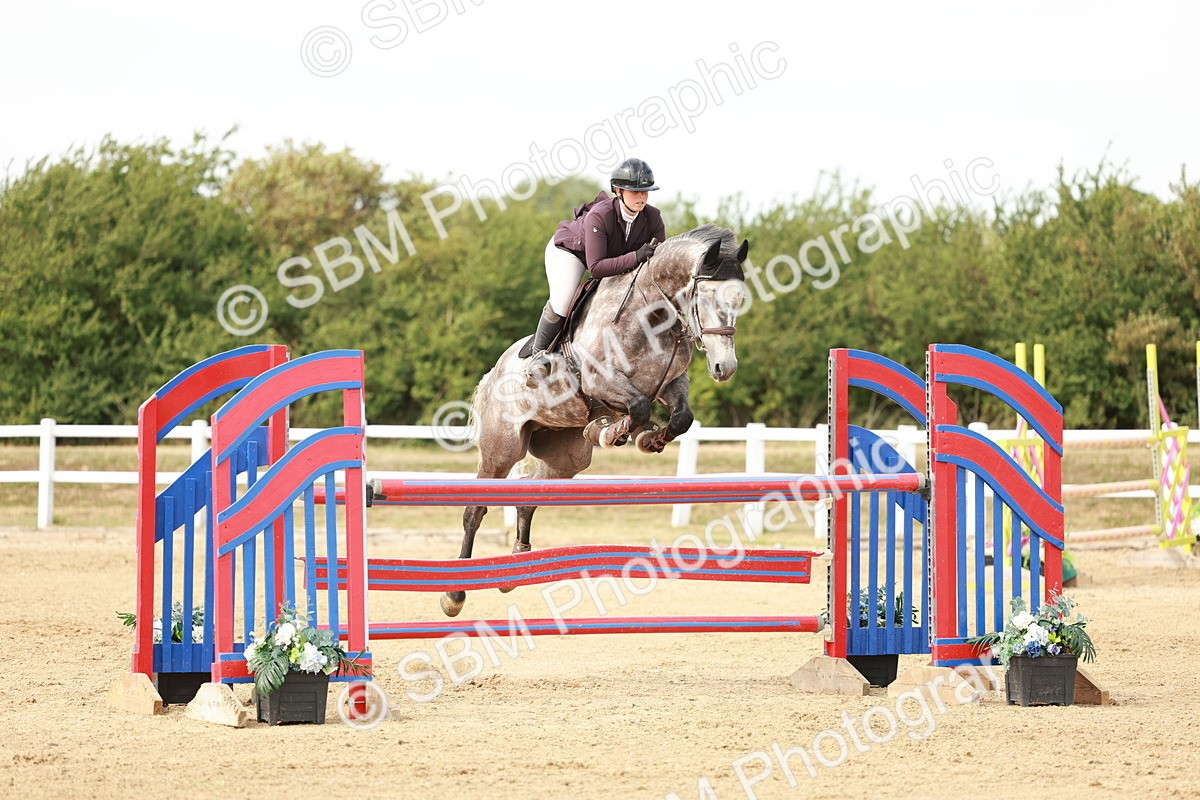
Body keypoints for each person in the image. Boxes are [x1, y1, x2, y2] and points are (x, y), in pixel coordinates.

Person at [524, 157, 667, 386]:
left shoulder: (653, 218)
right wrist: (635, 257)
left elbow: (656, 264)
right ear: (618, 191)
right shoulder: (601, 215)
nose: (642, 196)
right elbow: (597, 267)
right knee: (564, 299)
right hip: (572, 254)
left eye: (645, 192)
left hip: (614, 259)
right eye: (635, 192)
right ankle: (538, 358)